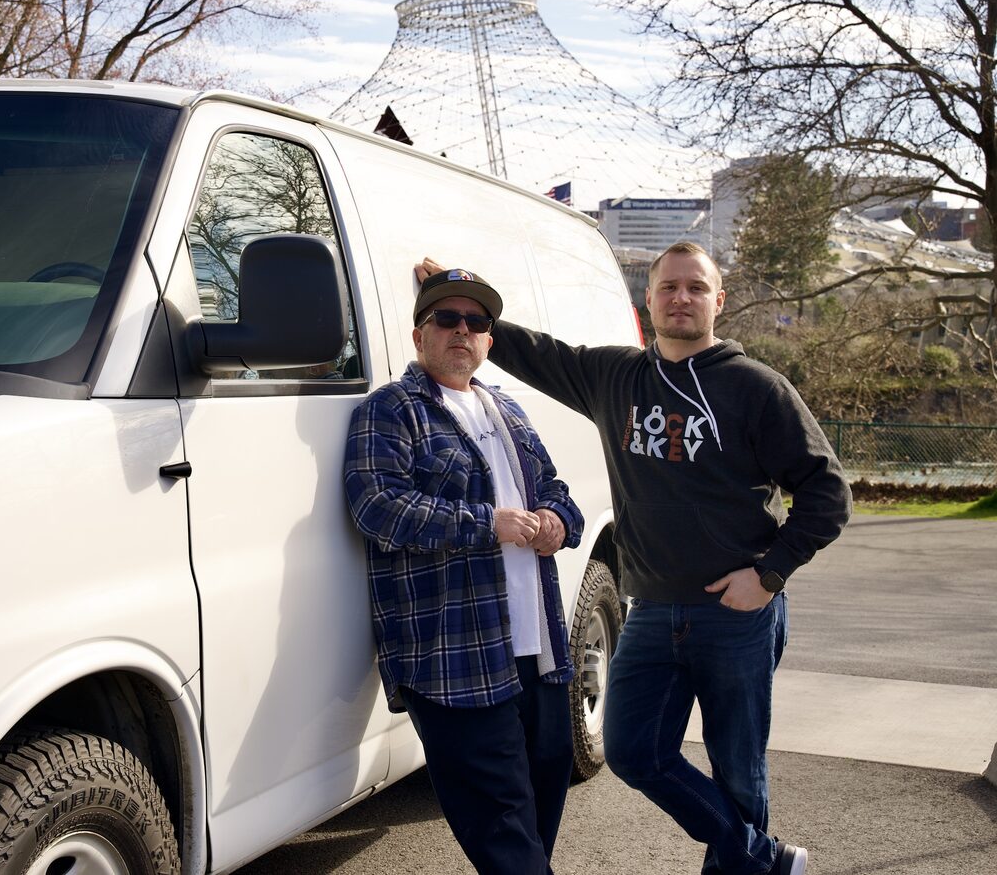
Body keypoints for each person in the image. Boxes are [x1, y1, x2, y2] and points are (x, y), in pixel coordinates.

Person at [416, 244, 851, 875]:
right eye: (668, 287)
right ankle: (762, 859)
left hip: (736, 613)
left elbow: (828, 493)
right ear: (647, 301)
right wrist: (462, 307)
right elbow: (537, 354)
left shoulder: (756, 389)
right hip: (649, 609)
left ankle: (743, 864)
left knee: (738, 769)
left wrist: (769, 574)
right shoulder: (614, 376)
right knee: (631, 753)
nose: (681, 298)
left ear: (717, 301)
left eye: (695, 288)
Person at [344, 267, 584, 875]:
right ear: (419, 334)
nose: (462, 330)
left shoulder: (506, 407)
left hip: (539, 649)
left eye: (476, 322)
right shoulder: (392, 411)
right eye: (447, 319)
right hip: (456, 658)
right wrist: (487, 523)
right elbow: (378, 506)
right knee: (501, 821)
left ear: (489, 341)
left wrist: (557, 520)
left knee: (543, 792)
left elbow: (554, 489)